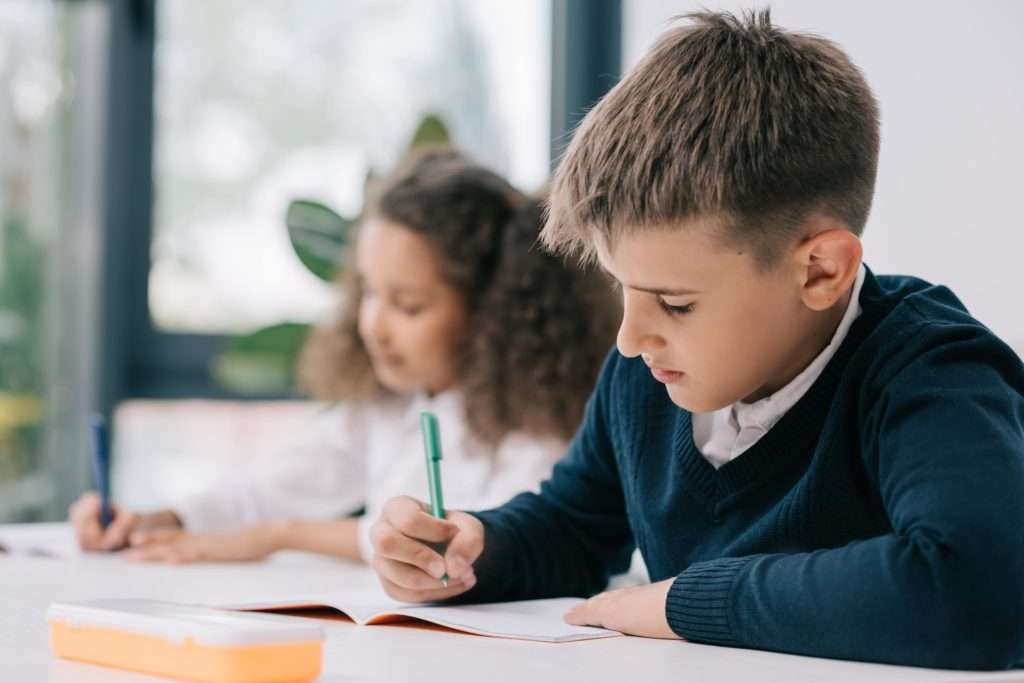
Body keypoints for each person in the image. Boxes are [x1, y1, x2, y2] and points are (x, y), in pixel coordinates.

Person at [367, 12, 1024, 670]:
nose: (629, 338)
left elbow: (978, 586)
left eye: (676, 303)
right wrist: (475, 547)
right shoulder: (650, 368)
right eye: (624, 287)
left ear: (821, 270)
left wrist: (686, 601)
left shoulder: (932, 367)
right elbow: (574, 525)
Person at [69, 149, 620, 564]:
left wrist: (278, 536)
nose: (373, 325)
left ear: (492, 313)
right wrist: (164, 519)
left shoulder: (541, 427)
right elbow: (278, 484)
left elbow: (468, 535)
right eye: (370, 293)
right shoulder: (386, 408)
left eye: (406, 305)